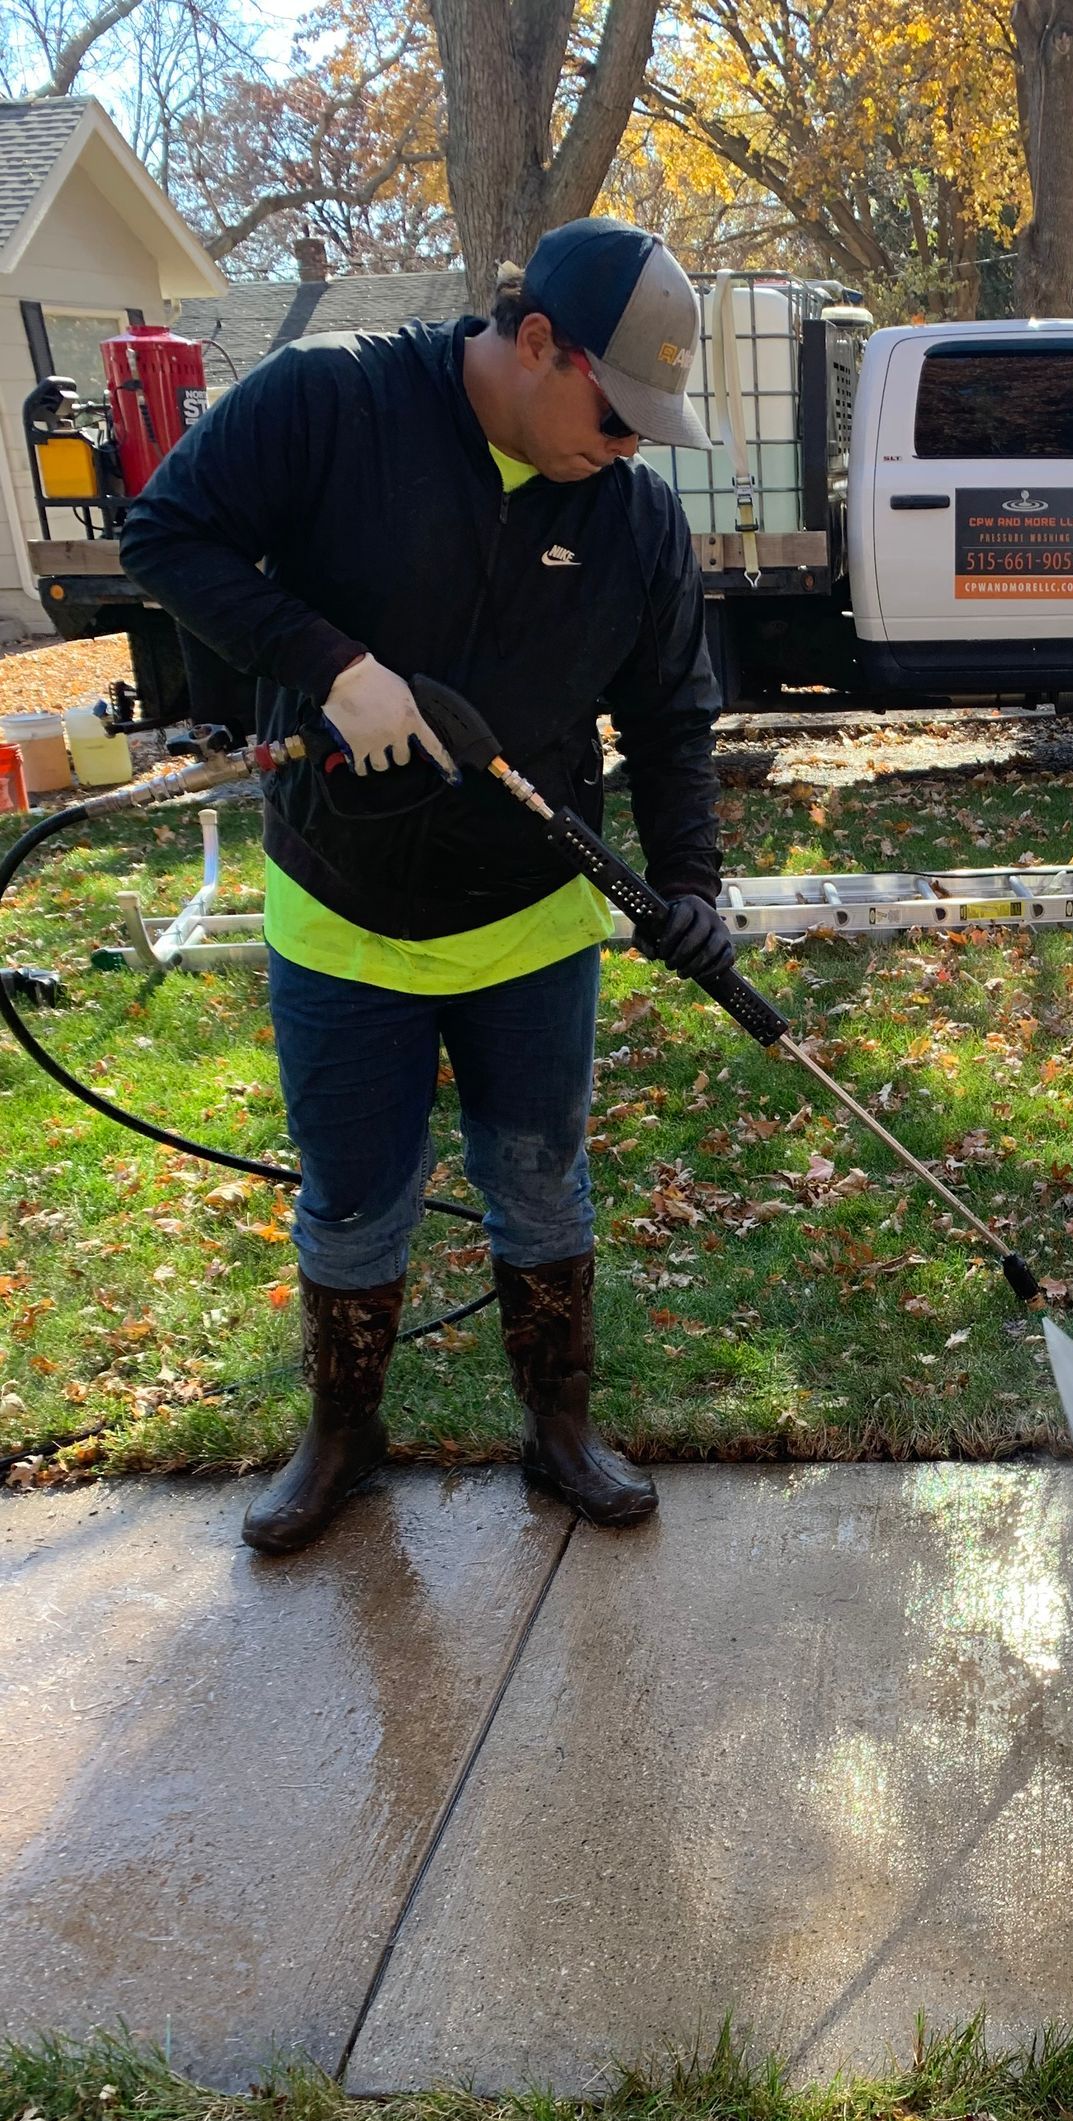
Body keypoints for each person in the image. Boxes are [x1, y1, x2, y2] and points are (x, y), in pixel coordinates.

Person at [120, 220, 735, 1554]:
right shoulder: (334, 403)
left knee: (539, 1178)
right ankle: (343, 1437)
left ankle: (559, 1429)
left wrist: (691, 883)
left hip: (532, 919)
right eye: (616, 413)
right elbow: (166, 536)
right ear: (533, 343)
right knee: (352, 1196)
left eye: (650, 427)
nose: (629, 446)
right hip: (343, 913)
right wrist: (333, 663)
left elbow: (675, 715)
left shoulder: (628, 514)